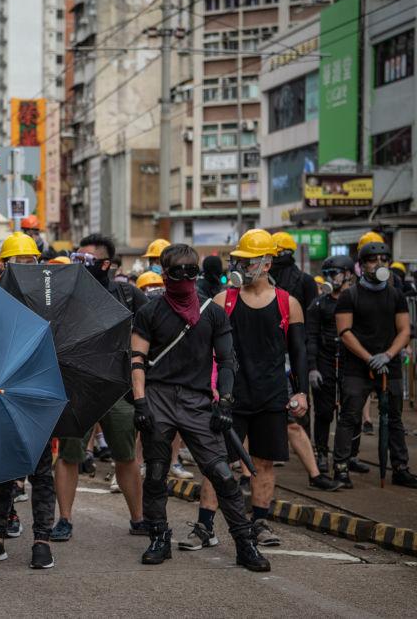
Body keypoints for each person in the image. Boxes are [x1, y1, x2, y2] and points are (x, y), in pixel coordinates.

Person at [130, 243, 269, 572]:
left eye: (190, 273)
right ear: (165, 274)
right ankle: (159, 537)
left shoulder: (212, 312)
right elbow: (137, 360)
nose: (184, 279)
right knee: (156, 474)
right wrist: (140, 402)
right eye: (177, 273)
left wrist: (226, 402)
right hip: (159, 396)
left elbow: (227, 360)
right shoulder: (149, 311)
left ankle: (245, 544)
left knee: (222, 475)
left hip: (197, 401)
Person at [192, 229, 308, 549]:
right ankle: (204, 526)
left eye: (248, 261)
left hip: (271, 395)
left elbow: (298, 352)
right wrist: (210, 389)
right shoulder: (223, 300)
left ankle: (259, 523)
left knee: (264, 463)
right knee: (216, 461)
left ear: (267, 264)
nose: (241, 267)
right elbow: (205, 351)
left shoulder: (288, 304)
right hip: (229, 395)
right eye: (238, 261)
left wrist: (300, 393)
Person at [52, 234, 147, 544]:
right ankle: (64, 519)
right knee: (69, 456)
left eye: (86, 260)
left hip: (117, 391)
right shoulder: (65, 295)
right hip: (76, 390)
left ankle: (139, 518)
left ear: (105, 264)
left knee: (126, 456)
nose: (78, 265)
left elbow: (151, 332)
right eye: (76, 259)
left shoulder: (128, 294)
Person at [0, 240, 56, 570]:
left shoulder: (48, 300)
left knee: (41, 472)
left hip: (38, 396)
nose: (26, 265)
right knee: (1, 469)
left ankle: (42, 540)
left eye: (31, 260)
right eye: (18, 261)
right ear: (4, 264)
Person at [334, 240, 417, 489]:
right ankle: (341, 467)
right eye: (372, 260)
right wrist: (368, 357)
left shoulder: (396, 295)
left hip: (387, 366)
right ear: (362, 265)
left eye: (383, 259)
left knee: (394, 418)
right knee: (349, 416)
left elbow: (404, 330)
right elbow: (345, 332)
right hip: (357, 366)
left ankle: (400, 467)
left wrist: (388, 355)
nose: (379, 264)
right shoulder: (350, 296)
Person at [307, 255, 357, 476]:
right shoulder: (318, 304)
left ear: (348, 274)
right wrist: (312, 367)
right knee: (324, 412)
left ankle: (349, 457)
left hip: (351, 363)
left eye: (333, 273)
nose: (330, 278)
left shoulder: (356, 300)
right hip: (325, 362)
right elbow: (311, 336)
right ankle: (321, 453)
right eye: (326, 274)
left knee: (350, 413)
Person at [270, 232, 318, 310]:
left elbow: (312, 315)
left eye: (277, 253)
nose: (273, 258)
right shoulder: (264, 278)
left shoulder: (306, 281)